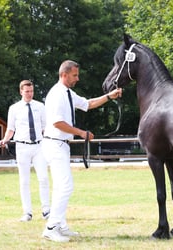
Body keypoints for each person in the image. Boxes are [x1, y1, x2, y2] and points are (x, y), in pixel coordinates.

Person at [41, 60, 122, 242]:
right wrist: (81, 133)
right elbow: (57, 122)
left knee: (61, 187)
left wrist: (109, 96)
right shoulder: (56, 94)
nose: (77, 78)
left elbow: (88, 103)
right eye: (75, 75)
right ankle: (51, 227)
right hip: (55, 144)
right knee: (65, 186)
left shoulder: (68, 93)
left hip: (61, 145)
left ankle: (59, 225)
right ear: (64, 74)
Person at [0, 80, 50, 222]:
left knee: (44, 178)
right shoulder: (14, 108)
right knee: (24, 181)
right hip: (22, 147)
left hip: (39, 146)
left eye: (31, 91)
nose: (29, 94)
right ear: (21, 91)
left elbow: (45, 127)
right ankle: (27, 213)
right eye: (27, 91)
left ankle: (46, 210)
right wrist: (5, 139)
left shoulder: (40, 106)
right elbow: (10, 129)